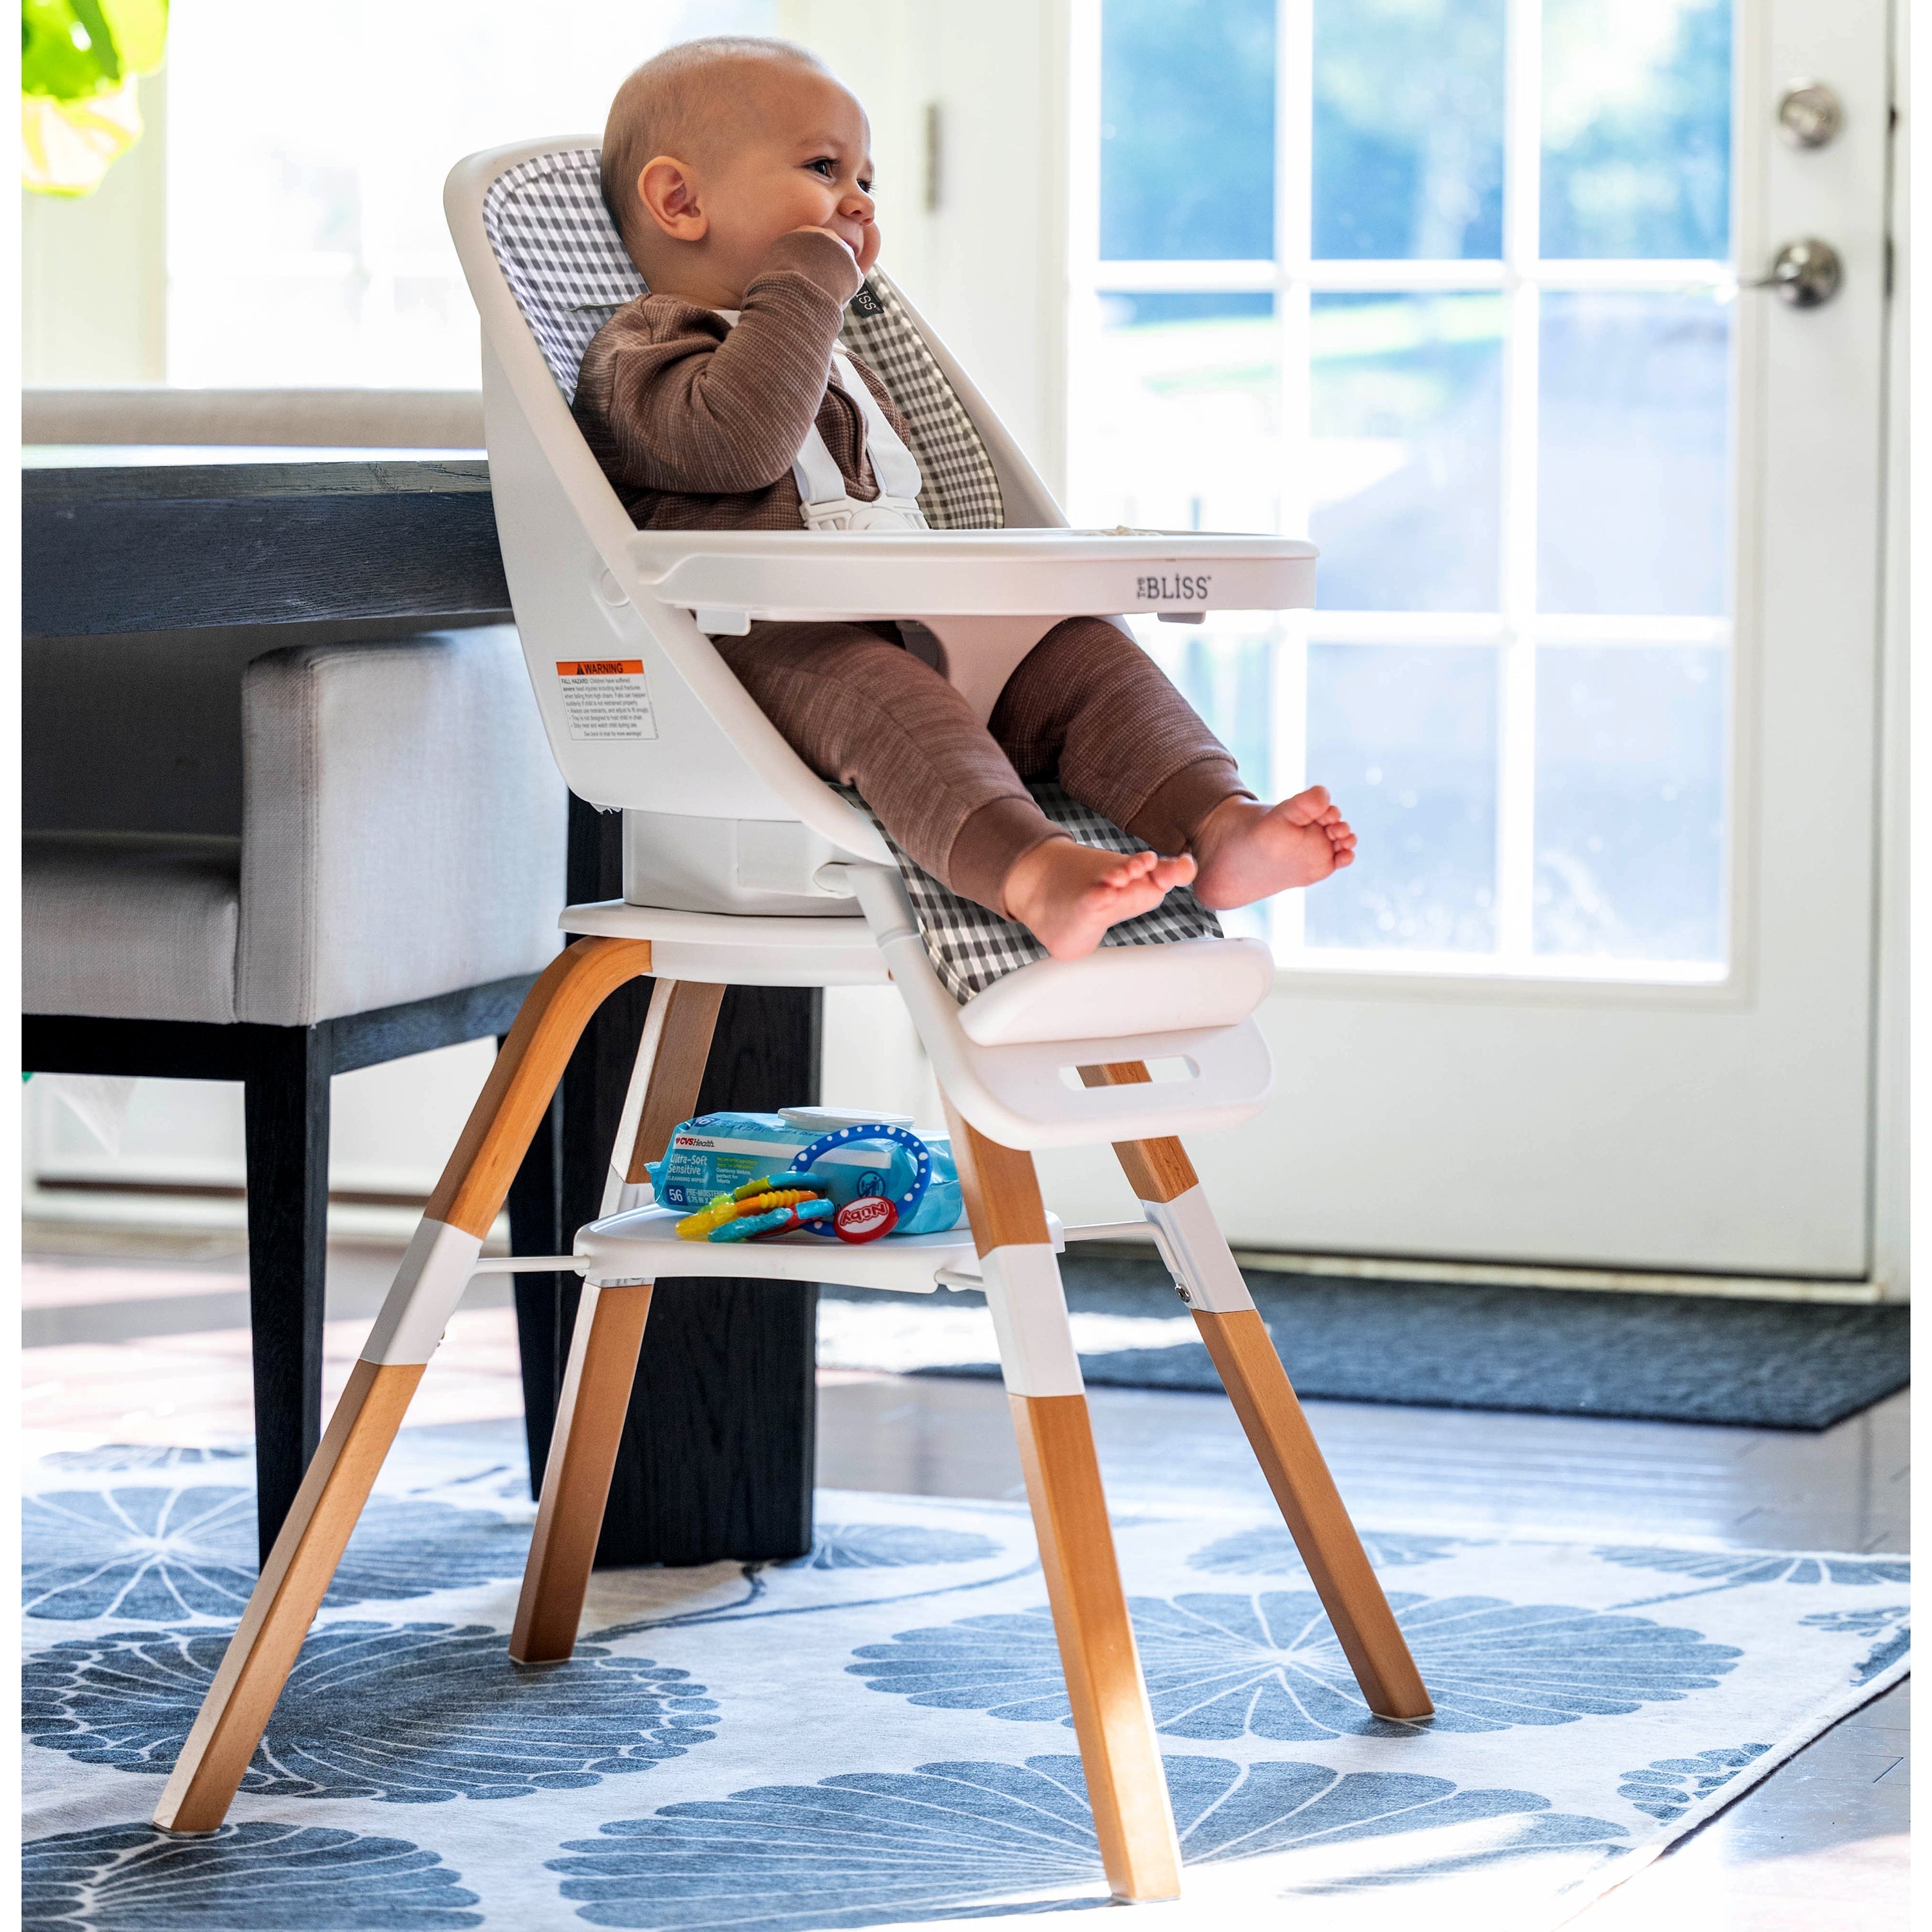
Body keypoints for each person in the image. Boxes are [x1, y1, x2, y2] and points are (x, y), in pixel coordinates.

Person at [576, 35, 1355, 959]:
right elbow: (740, 444)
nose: (860, 201)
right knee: (891, 701)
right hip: (773, 655)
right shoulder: (642, 353)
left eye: (869, 180)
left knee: (1085, 654)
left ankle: (1218, 824)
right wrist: (809, 277)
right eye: (825, 168)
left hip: (916, 626)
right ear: (681, 200)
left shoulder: (840, 358)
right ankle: (1033, 872)